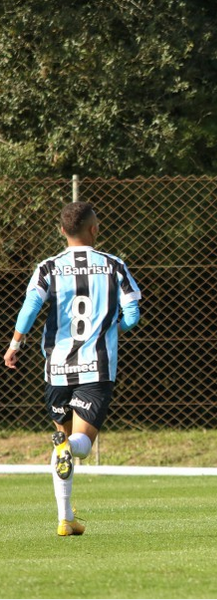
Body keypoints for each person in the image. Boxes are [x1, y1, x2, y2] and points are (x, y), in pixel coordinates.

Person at [4, 201, 141, 535]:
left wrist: (14, 345)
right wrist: (113, 329)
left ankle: (66, 519)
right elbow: (133, 315)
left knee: (60, 441)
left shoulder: (48, 267)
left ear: (60, 231)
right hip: (97, 366)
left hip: (57, 367)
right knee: (80, 444)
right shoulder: (114, 266)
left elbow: (30, 307)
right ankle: (69, 455)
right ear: (94, 229)